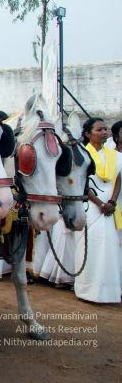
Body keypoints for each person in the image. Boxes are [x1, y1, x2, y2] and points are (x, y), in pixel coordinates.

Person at [74, 118, 122, 303]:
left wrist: (111, 201)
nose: (104, 132)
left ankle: (109, 292)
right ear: (87, 133)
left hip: (109, 207)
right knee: (89, 246)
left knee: (109, 248)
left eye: (105, 129)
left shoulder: (115, 155)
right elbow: (81, 183)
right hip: (91, 207)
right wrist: (100, 204)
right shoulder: (81, 154)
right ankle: (87, 291)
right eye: (99, 129)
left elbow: (118, 179)